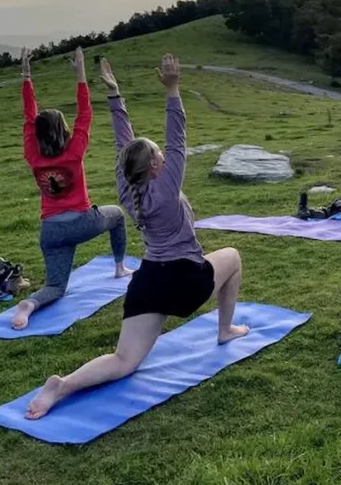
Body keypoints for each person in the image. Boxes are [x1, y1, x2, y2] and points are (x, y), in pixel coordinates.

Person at [25, 54, 249, 419]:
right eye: (160, 155)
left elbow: (123, 146)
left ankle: (62, 385)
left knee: (123, 360)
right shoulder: (166, 187)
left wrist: (115, 96)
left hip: (149, 283)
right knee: (234, 257)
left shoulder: (127, 187)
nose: (166, 155)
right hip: (187, 280)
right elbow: (177, 138)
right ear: (158, 166)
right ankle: (225, 329)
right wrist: (173, 89)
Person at [13, 47, 133, 330]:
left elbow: (28, 118)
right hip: (82, 222)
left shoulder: (33, 155)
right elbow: (85, 113)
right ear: (63, 130)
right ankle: (119, 268)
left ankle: (29, 305)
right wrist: (80, 74)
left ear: (38, 134)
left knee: (55, 286)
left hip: (51, 231)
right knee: (116, 215)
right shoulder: (74, 152)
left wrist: (26, 75)